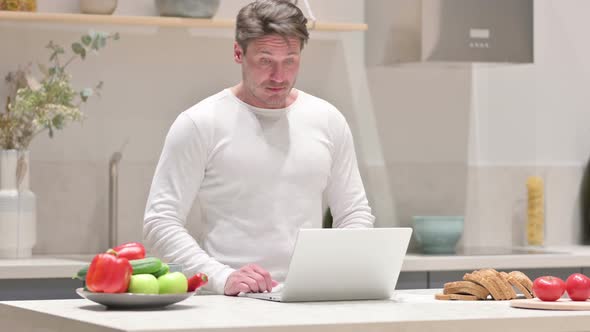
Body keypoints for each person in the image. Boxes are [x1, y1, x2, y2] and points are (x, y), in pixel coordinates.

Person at [143, 0, 375, 296]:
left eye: (290, 60)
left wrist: (333, 273)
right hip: (229, 304)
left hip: (310, 301)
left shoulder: (327, 120)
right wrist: (221, 277)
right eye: (266, 60)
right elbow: (160, 222)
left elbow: (354, 214)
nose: (279, 77)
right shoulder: (199, 123)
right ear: (238, 53)